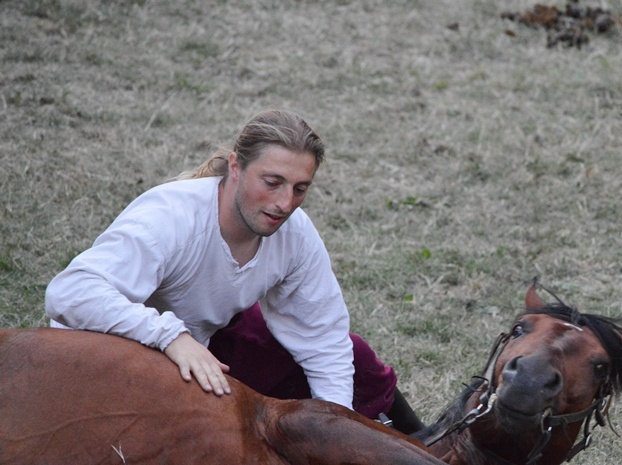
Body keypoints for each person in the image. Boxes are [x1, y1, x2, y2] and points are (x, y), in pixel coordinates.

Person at [45, 109, 423, 433]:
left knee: (352, 356)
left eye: (300, 188)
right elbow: (72, 293)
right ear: (236, 166)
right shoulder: (170, 217)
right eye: (272, 183)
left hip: (203, 349)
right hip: (110, 356)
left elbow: (323, 339)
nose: (284, 203)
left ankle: (428, 446)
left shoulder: (295, 233)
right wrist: (170, 336)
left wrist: (335, 424)